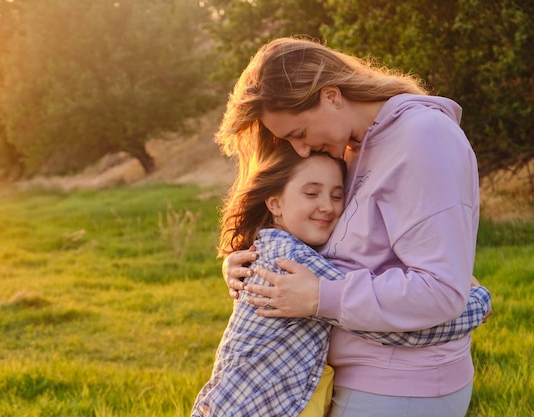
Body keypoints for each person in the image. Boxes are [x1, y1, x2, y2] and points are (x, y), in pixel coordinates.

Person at [218, 37, 488, 417]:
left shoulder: (423, 138)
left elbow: (441, 291)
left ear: (330, 96)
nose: (300, 149)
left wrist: (318, 298)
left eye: (298, 132)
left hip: (402, 389)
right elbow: (347, 249)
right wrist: (249, 263)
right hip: (355, 379)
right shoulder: (350, 147)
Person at [193, 142, 491, 417]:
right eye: (311, 193)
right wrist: (475, 302)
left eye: (337, 195)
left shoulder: (270, 245)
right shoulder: (292, 259)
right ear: (275, 203)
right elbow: (397, 329)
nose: (328, 206)